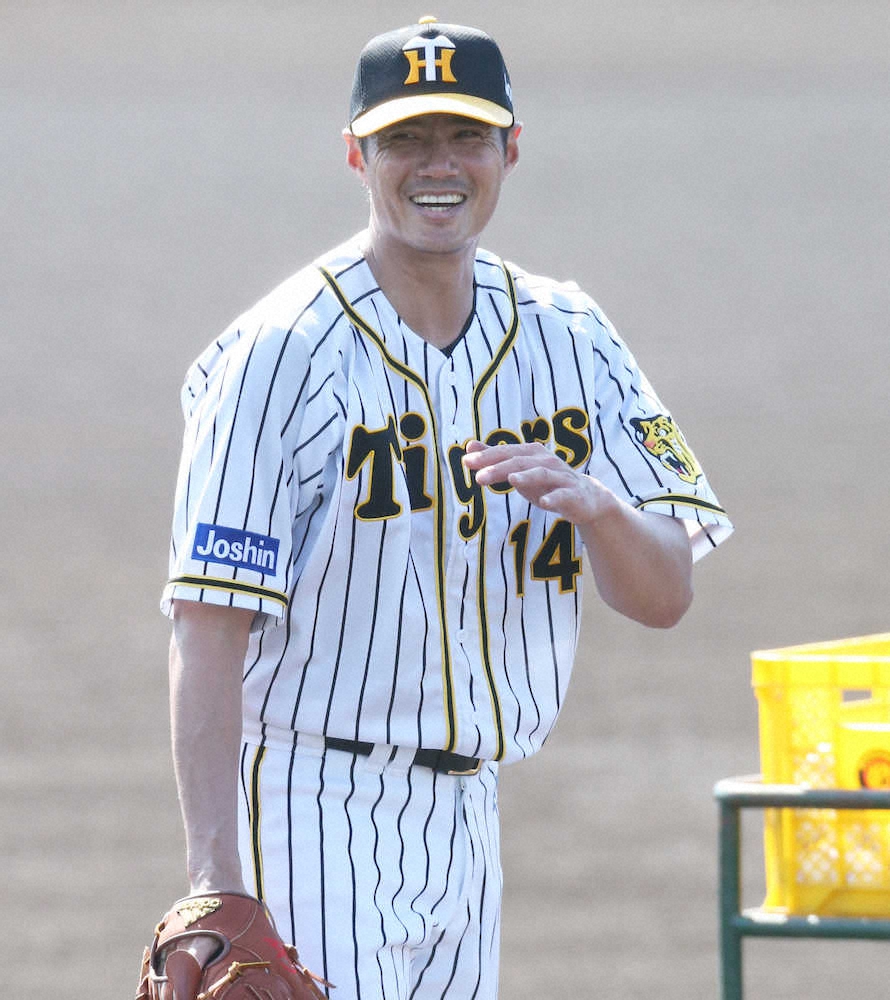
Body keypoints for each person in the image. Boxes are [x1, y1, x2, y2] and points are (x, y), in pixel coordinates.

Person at [160, 15, 732, 1000]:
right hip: (311, 805)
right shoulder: (278, 355)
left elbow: (665, 592)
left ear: (511, 148)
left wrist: (600, 510)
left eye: (466, 135)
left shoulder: (572, 335)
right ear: (357, 154)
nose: (438, 165)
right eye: (405, 139)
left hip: (472, 814)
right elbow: (207, 625)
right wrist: (215, 879)